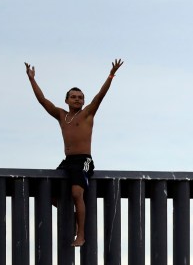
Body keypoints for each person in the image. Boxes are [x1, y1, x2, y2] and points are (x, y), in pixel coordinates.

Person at [25, 59, 124, 246]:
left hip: (84, 160)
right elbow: (42, 100)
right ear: (66, 100)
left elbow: (100, 96)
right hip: (67, 161)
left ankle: (81, 234)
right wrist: (32, 79)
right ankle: (71, 214)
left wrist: (111, 75)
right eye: (73, 96)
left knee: (76, 193)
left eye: (80, 97)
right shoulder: (62, 115)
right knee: (47, 192)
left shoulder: (87, 113)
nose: (77, 99)